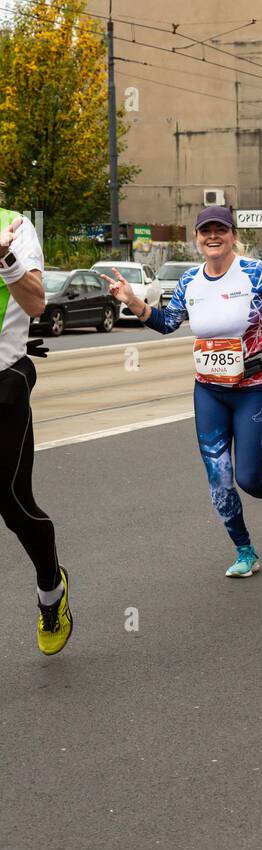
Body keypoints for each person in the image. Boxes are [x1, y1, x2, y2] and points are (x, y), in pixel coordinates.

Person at [104, 208, 262, 576]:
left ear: (232, 235)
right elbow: (167, 323)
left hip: (254, 386)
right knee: (218, 477)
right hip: (209, 389)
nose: (213, 237)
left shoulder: (254, 272)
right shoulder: (189, 280)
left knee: (247, 476)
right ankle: (245, 551)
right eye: (205, 231)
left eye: (221, 230)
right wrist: (132, 300)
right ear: (197, 237)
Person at [0, 210, 72, 653]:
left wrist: (5, 257)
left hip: (3, 384)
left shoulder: (14, 226)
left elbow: (36, 303)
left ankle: (51, 589)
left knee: (12, 503)